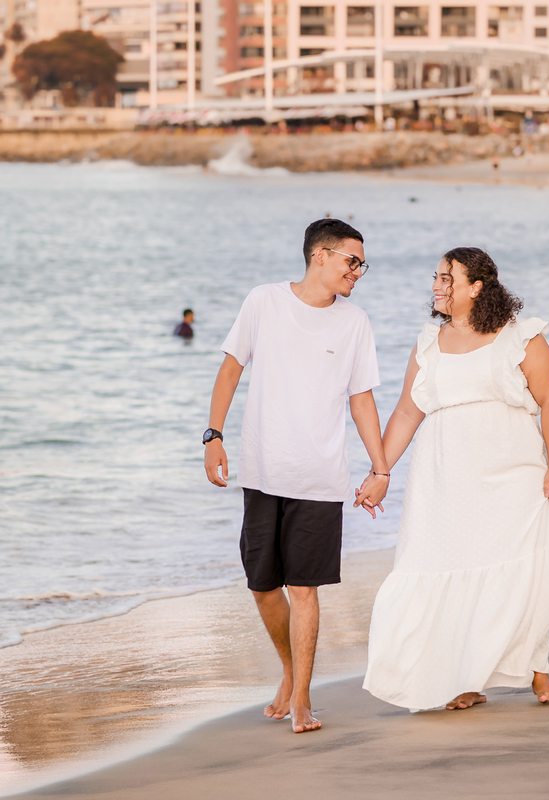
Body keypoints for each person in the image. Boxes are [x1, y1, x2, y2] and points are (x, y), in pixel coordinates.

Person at [203, 219, 390, 734]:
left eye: (362, 264)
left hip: (320, 478)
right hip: (262, 471)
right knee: (263, 586)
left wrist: (381, 468)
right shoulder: (264, 302)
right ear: (320, 256)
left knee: (304, 589)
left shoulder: (355, 322)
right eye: (352, 261)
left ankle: (303, 697)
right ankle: (289, 671)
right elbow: (230, 368)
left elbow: (362, 400)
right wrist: (212, 435)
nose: (359, 271)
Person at [364, 247, 549, 712]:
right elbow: (407, 411)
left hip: (511, 475)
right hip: (442, 482)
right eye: (435, 277)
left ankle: (538, 671)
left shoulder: (520, 337)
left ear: (476, 287)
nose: (436, 285)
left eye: (446, 278)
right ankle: (464, 678)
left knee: (521, 569)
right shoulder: (428, 343)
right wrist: (380, 471)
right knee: (441, 568)